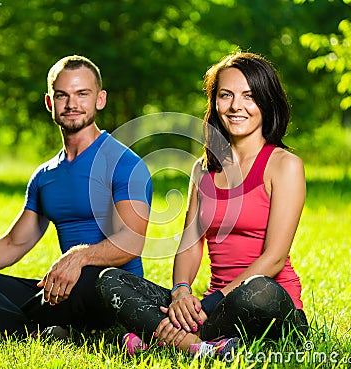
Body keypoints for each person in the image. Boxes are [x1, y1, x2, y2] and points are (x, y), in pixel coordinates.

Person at [96, 51, 308, 359]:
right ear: (214, 102)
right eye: (226, 95)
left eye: (249, 96)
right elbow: (190, 243)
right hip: (207, 307)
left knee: (260, 291)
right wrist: (181, 290)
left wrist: (207, 307)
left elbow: (274, 259)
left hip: (261, 303)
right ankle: (203, 347)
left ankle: (167, 337)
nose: (236, 106)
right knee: (110, 280)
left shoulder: (284, 165)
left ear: (266, 101)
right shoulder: (202, 169)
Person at [0, 55, 152, 338]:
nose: (72, 104)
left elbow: (131, 242)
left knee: (92, 277)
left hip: (106, 286)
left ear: (99, 100)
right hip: (62, 289)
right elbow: (12, 245)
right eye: (62, 95)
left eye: (82, 94)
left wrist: (80, 256)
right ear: (49, 102)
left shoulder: (125, 163)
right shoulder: (45, 175)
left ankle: (15, 324)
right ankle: (36, 330)